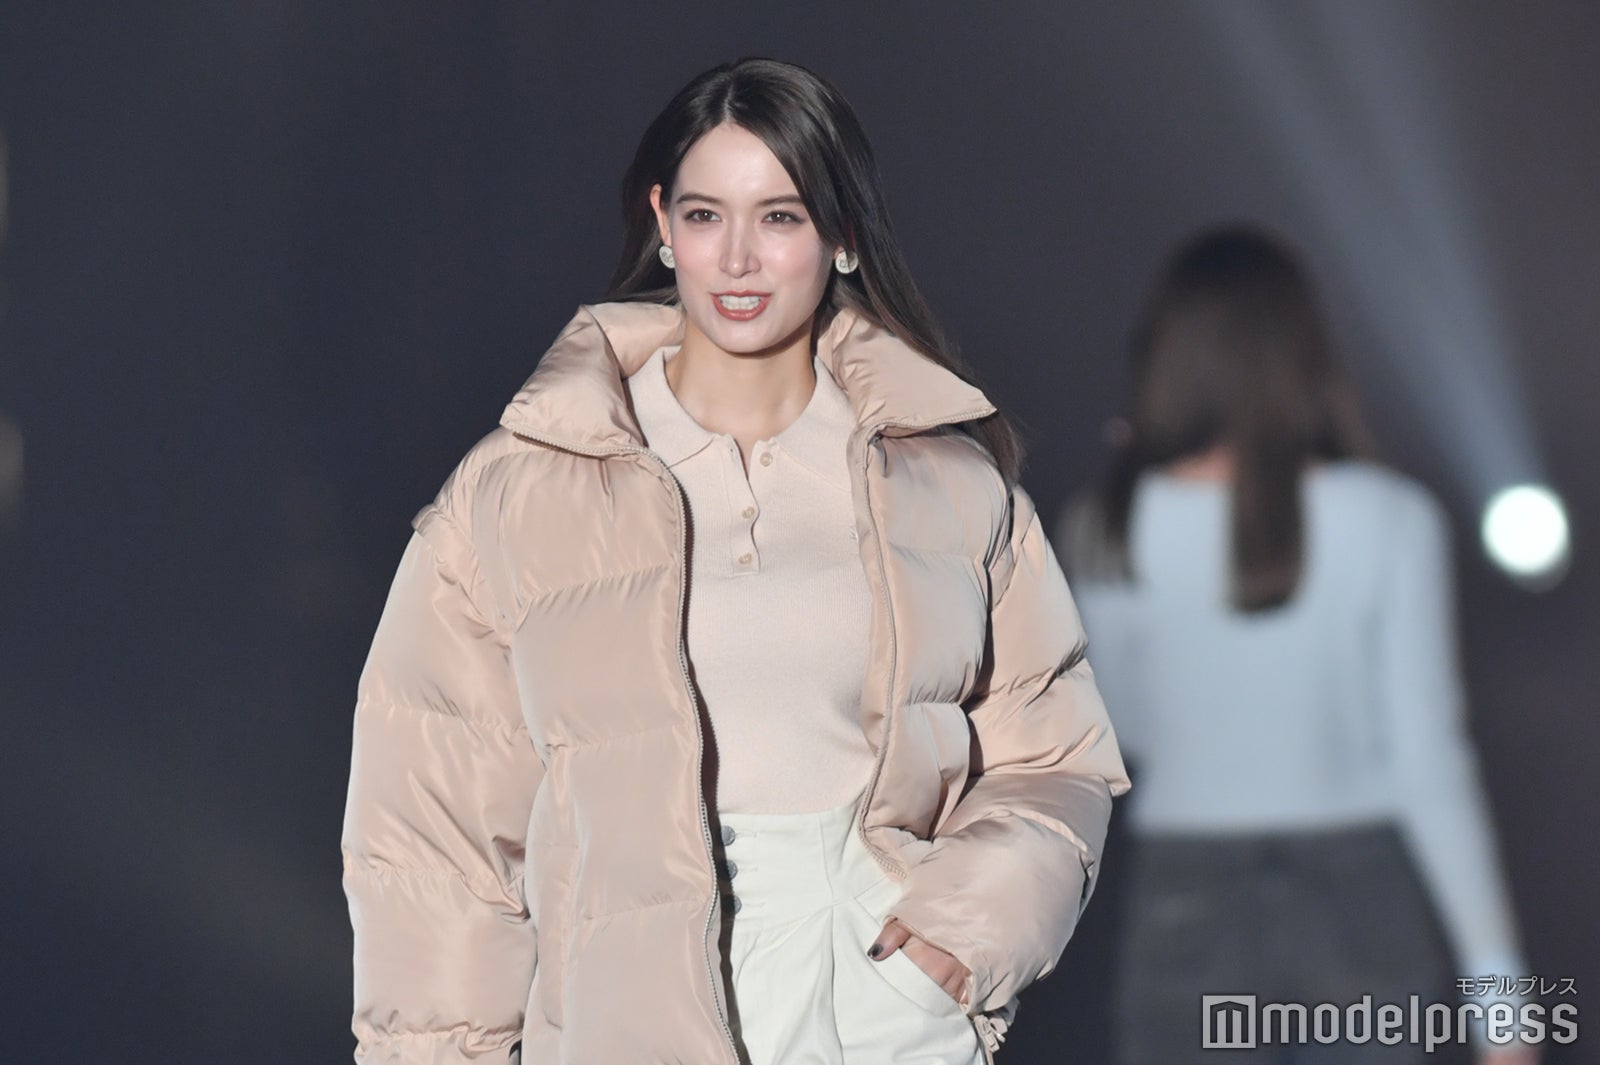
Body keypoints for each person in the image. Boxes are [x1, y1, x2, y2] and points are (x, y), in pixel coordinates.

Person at [340, 57, 1129, 1065]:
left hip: (879, 992)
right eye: (707, 216)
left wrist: (959, 939)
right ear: (663, 225)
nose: (739, 258)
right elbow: (431, 830)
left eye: (781, 217)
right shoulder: (519, 489)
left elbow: (1053, 758)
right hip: (630, 1005)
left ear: (842, 236)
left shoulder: (946, 484)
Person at [1056, 225, 1536, 1064]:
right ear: (1306, 350)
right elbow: (1430, 759)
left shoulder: (1107, 522)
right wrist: (1500, 995)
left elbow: (1123, 730)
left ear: (1167, 352)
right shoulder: (1392, 517)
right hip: (1362, 895)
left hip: (1187, 892)